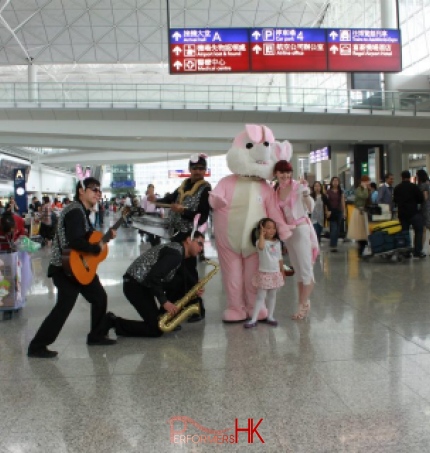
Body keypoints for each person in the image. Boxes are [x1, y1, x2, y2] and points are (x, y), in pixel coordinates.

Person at [27, 177, 117, 359]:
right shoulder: (75, 211)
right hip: (65, 267)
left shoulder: (81, 211)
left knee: (99, 297)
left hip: (78, 267)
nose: (98, 194)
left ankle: (96, 335)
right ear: (81, 191)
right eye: (94, 189)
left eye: (99, 190)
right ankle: (37, 346)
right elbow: (76, 241)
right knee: (64, 306)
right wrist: (95, 248)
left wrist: (105, 238)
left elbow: (87, 237)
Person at [112, 230, 204, 338]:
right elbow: (154, 276)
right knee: (156, 329)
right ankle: (114, 322)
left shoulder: (178, 249)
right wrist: (164, 302)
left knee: (179, 282)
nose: (201, 248)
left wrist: (194, 286)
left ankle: (162, 315)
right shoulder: (176, 255)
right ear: (188, 240)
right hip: (134, 285)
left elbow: (181, 275)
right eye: (199, 243)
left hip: (142, 284)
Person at [274, 160, 319, 320]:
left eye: (288, 172)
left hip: (301, 228)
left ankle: (302, 304)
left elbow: (311, 207)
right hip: (288, 233)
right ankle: (303, 302)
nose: (285, 176)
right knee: (298, 270)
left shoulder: (297, 186)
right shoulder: (277, 190)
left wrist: (306, 192)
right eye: (282, 172)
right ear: (276, 174)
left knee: (306, 270)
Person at [149, 154, 211, 233]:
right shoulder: (183, 186)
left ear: (205, 170)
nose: (198, 171)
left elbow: (202, 217)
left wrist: (183, 211)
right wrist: (155, 200)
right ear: (190, 169)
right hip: (174, 231)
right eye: (194, 168)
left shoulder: (205, 189)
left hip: (191, 236)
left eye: (201, 169)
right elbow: (170, 199)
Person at [244, 218, 285, 328]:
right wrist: (261, 234)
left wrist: (282, 270)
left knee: (272, 296)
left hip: (275, 273)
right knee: (260, 297)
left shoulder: (277, 243)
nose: (272, 230)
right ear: (262, 230)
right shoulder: (260, 242)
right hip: (264, 273)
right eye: (268, 228)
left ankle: (270, 316)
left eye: (273, 228)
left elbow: (280, 257)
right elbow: (261, 247)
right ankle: (254, 319)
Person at [163, 230, 206, 323]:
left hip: (190, 236)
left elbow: (202, 217)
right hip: (178, 239)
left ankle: (196, 307)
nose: (201, 249)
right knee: (175, 277)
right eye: (200, 245)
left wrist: (184, 214)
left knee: (189, 273)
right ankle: (172, 309)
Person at [393, 170, 425, 258]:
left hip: (402, 214)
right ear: (409, 177)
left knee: (405, 232)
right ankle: (417, 251)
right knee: (419, 231)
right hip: (413, 213)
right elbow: (421, 199)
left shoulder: (397, 188)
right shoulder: (414, 187)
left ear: (402, 177)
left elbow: (395, 201)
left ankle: (406, 252)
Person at [347, 175, 371, 257]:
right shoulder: (358, 190)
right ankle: (360, 251)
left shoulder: (367, 189)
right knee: (360, 233)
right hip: (358, 212)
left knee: (364, 233)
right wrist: (365, 188)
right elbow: (364, 196)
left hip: (364, 212)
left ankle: (363, 250)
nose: (368, 183)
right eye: (366, 181)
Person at [326, 176, 346, 252]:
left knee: (337, 229)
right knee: (333, 228)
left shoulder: (341, 191)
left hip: (339, 211)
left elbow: (342, 202)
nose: (335, 182)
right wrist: (327, 211)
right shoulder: (328, 191)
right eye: (334, 181)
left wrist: (344, 212)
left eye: (337, 181)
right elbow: (326, 202)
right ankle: (333, 244)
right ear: (331, 182)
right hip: (331, 211)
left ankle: (335, 243)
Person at [416, 169, 430, 252]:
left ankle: (420, 248)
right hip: (427, 208)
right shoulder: (428, 184)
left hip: (425, 209)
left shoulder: (423, 186)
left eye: (417, 176)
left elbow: (425, 198)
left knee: (424, 229)